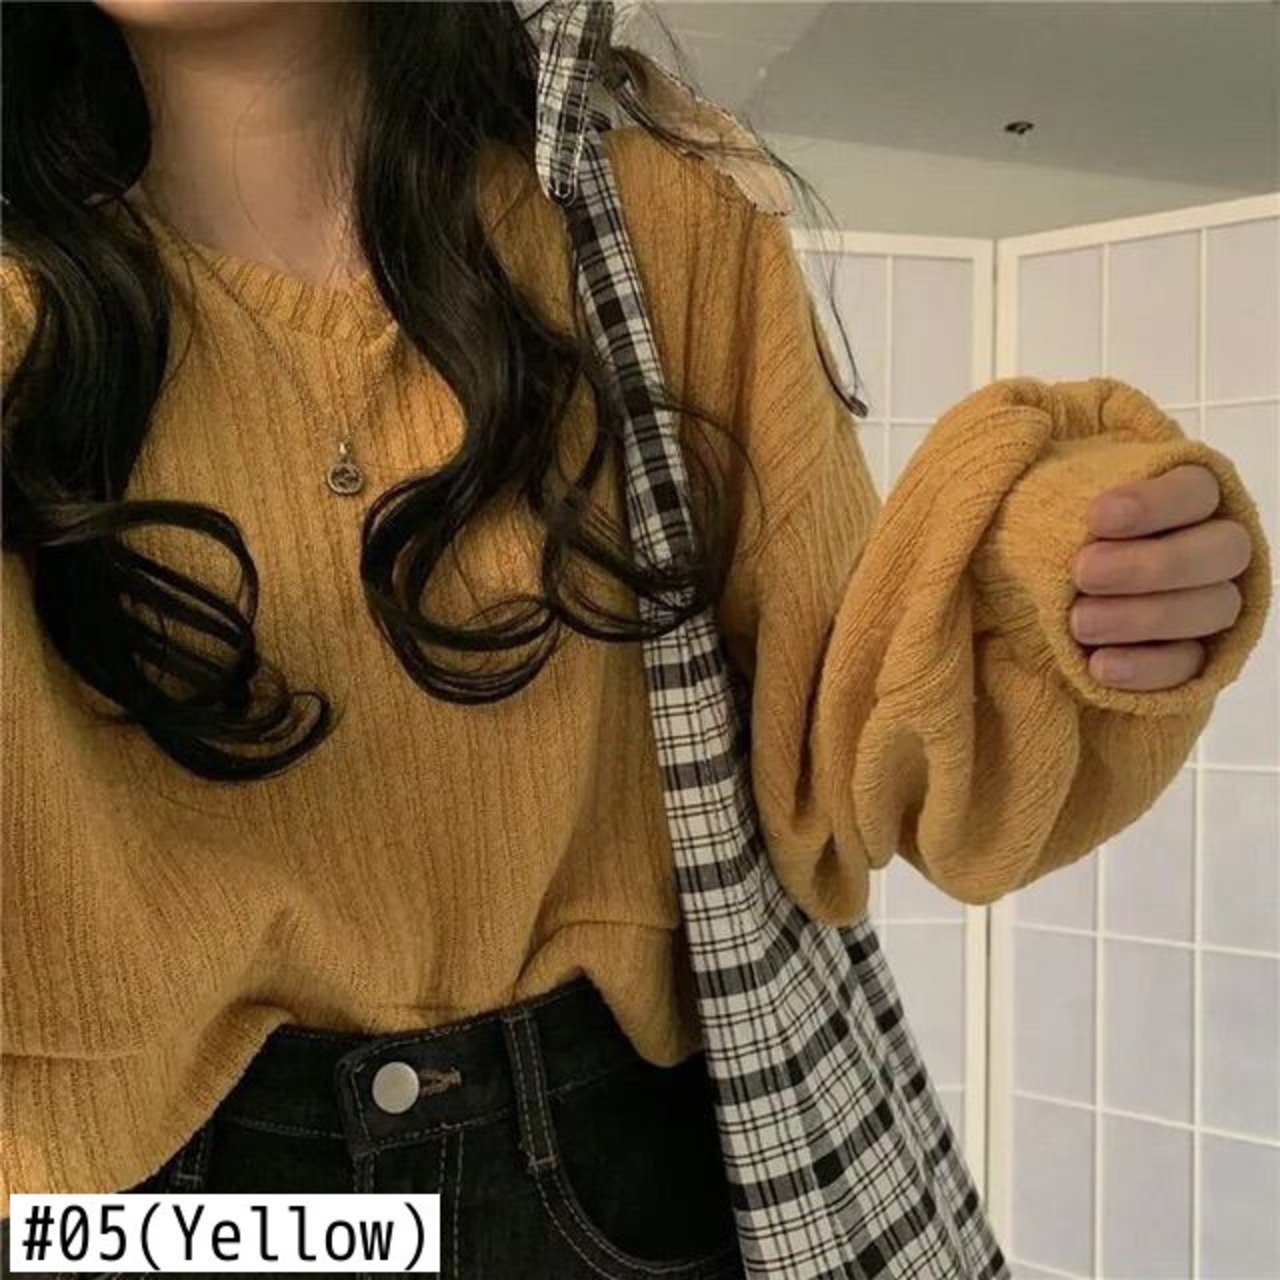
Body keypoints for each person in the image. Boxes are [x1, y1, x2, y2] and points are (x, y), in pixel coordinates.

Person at [0, 3, 1269, 1278]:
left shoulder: (656, 218)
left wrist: (1035, 574)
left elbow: (846, 751)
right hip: (122, 1208)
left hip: (610, 1173)